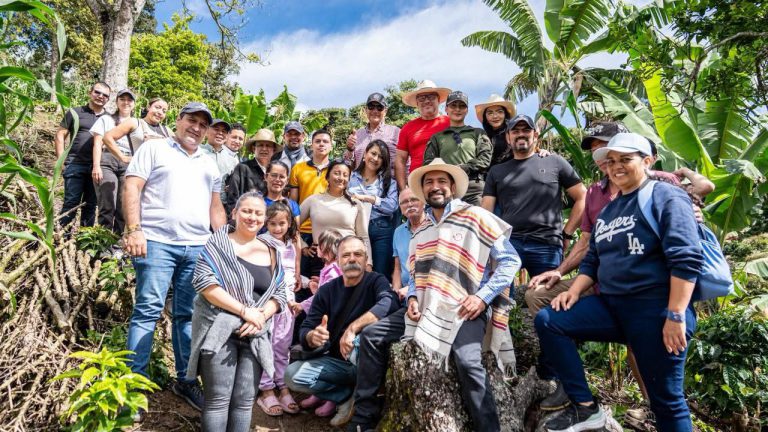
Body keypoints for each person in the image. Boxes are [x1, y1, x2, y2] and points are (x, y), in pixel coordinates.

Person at [526, 122, 715, 412]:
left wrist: (675, 312)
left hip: (655, 298)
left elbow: (685, 252)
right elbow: (590, 249)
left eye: (620, 155)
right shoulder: (601, 200)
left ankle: (653, 406)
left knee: (663, 393)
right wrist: (564, 278)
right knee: (546, 309)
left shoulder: (662, 186)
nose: (608, 161)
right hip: (609, 293)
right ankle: (576, 393)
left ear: (644, 158)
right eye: (602, 156)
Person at [346, 159, 521, 432]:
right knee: (370, 336)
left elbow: (511, 260)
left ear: (452, 187)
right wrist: (413, 298)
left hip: (465, 306)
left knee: (467, 360)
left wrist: (482, 297)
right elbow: (417, 275)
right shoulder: (422, 230)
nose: (435, 187)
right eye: (429, 182)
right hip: (426, 306)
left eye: (442, 181)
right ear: (423, 189)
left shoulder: (475, 216)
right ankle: (363, 420)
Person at [122, 102, 227, 416]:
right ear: (178, 121)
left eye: (202, 124)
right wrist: (134, 229)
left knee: (187, 316)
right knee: (148, 310)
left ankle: (185, 379)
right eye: (191, 121)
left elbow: (216, 209)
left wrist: (223, 247)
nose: (196, 128)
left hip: (196, 247)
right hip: (156, 242)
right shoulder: (154, 149)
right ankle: (134, 388)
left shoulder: (210, 163)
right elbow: (132, 186)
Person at [188, 192, 287, 432]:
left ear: (264, 219)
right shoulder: (217, 244)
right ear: (234, 213)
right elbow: (205, 284)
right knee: (218, 401)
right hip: (219, 330)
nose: (252, 217)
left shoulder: (272, 249)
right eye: (246, 211)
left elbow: (280, 293)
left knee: (244, 403)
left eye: (258, 213)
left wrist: (260, 316)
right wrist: (245, 311)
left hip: (255, 332)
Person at [285, 236, 400, 428]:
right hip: (338, 363)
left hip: (367, 362)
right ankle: (346, 396)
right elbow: (306, 328)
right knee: (292, 375)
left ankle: (364, 403)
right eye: (346, 255)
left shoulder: (376, 281)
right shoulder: (327, 290)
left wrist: (353, 328)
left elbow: (389, 303)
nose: (352, 259)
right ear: (338, 260)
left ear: (365, 259)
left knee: (363, 338)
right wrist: (312, 337)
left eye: (358, 254)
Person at [482, 114, 587, 278]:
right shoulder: (496, 172)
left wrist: (567, 233)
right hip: (509, 243)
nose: (521, 134)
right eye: (515, 131)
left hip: (547, 244)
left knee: (545, 296)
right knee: (499, 299)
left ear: (535, 135)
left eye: (526, 130)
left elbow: (583, 197)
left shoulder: (555, 162)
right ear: (508, 137)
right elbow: (486, 212)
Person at [291, 229, 344, 418]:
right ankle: (318, 394)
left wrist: (301, 305)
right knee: (318, 356)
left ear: (326, 248)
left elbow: (321, 298)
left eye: (319, 244)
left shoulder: (333, 271)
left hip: (328, 322)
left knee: (329, 357)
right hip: (323, 319)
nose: (316, 247)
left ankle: (331, 398)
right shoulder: (329, 269)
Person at [256, 201, 301, 417]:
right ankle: (266, 389)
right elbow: (272, 277)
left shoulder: (290, 244)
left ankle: (282, 384)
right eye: (272, 224)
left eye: (282, 223)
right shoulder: (263, 242)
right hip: (269, 303)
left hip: (288, 303)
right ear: (266, 223)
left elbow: (291, 273)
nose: (277, 228)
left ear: (289, 223)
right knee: (267, 344)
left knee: (283, 345)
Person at [299, 160, 373, 271]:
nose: (340, 178)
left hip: (349, 259)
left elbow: (363, 237)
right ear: (327, 177)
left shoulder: (356, 204)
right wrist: (303, 246)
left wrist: (368, 263)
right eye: (337, 173)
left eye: (345, 175)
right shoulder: (313, 200)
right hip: (320, 259)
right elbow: (291, 225)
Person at [54, 81, 110, 228]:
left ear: (108, 99)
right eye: (97, 92)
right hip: (74, 164)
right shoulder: (76, 112)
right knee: (71, 202)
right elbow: (60, 135)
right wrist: (61, 160)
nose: (100, 96)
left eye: (105, 95)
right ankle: (62, 236)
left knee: (91, 205)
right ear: (90, 92)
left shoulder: (109, 119)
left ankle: (82, 242)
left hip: (98, 167)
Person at [423, 91, 492, 206]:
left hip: (473, 188)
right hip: (446, 189)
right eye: (453, 105)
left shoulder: (478, 133)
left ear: (467, 110)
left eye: (462, 106)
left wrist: (463, 168)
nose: (457, 109)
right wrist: (448, 173)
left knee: (476, 221)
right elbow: (429, 164)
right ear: (446, 109)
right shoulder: (437, 137)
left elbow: (485, 159)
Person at [348, 140, 399, 280]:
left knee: (380, 274)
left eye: (381, 156)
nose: (376, 159)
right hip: (355, 229)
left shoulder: (389, 182)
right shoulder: (350, 177)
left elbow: (392, 206)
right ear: (365, 154)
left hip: (380, 230)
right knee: (357, 272)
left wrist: (368, 198)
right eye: (373, 153)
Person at [89, 88, 135, 234]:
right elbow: (97, 143)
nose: (126, 103)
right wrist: (96, 166)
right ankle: (104, 238)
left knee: (123, 204)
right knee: (107, 201)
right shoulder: (106, 119)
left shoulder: (137, 123)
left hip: (129, 161)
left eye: (129, 100)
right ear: (117, 102)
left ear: (134, 104)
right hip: (107, 159)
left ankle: (117, 240)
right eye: (122, 99)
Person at [290, 129, 333, 277]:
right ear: (311, 144)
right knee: (301, 277)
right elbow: (293, 203)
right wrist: (299, 240)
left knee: (325, 279)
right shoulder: (298, 168)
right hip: (303, 230)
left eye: (325, 141)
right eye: (318, 141)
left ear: (331, 146)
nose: (321, 144)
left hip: (327, 232)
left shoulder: (336, 170)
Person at [394, 80, 451, 190]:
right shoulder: (407, 128)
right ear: (417, 103)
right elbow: (400, 160)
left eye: (431, 97)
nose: (427, 101)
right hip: (417, 184)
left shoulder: (451, 123)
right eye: (422, 98)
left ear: (438, 100)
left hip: (447, 181)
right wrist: (403, 190)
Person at [225, 129, 282, 214]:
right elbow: (232, 198)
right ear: (254, 148)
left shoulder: (276, 170)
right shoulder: (243, 168)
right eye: (260, 145)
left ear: (273, 150)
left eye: (268, 146)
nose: (264, 149)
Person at [343, 92, 400, 173]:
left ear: (385, 111)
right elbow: (348, 166)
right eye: (371, 107)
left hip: (389, 184)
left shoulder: (395, 132)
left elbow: (405, 161)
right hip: (361, 184)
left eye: (379, 107)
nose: (375, 111)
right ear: (366, 110)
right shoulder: (357, 135)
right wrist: (349, 149)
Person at [103, 97, 171, 157]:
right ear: (148, 107)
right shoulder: (135, 123)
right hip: (139, 169)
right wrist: (123, 157)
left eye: (164, 111)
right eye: (157, 107)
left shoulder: (167, 131)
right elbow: (107, 137)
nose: (160, 112)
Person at [391, 188, 425, 301]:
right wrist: (396, 290)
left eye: (414, 199)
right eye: (404, 202)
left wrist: (410, 289)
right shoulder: (398, 232)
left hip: (427, 291)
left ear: (424, 202)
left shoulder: (435, 227)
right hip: (403, 295)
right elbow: (397, 268)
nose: (409, 204)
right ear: (400, 208)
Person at [475, 94, 516, 166]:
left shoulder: (514, 134)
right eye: (490, 113)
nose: (495, 116)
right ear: (485, 117)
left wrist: (541, 151)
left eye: (499, 111)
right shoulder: (481, 137)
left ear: (505, 114)